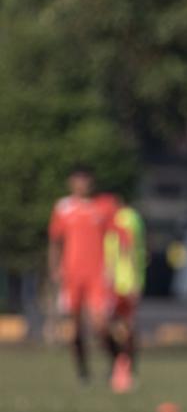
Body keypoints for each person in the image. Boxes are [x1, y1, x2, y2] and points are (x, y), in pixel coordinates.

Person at [48, 167, 119, 386]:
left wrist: (115, 268)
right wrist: (54, 268)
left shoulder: (104, 205)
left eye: (86, 180)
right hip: (72, 275)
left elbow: (114, 239)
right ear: (71, 183)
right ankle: (83, 373)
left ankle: (116, 361)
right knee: (74, 328)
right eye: (78, 180)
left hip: (97, 274)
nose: (82, 184)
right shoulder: (63, 207)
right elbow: (55, 241)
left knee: (100, 324)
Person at [102, 193, 146, 393]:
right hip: (111, 283)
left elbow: (130, 249)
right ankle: (119, 364)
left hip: (125, 282)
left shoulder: (127, 218)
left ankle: (125, 366)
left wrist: (136, 280)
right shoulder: (109, 219)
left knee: (125, 327)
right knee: (110, 327)